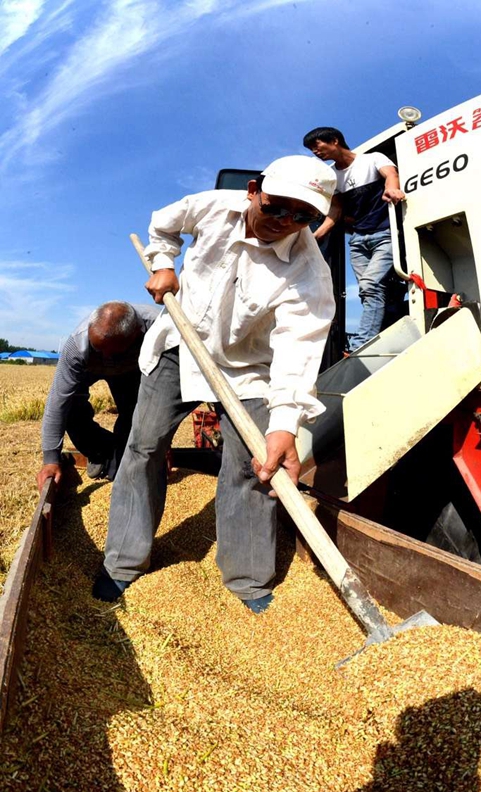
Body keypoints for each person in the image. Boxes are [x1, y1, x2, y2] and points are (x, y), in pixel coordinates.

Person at [92, 155, 337, 613]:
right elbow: (163, 224)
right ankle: (123, 562)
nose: (285, 223)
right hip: (179, 345)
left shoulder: (309, 270)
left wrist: (285, 423)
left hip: (249, 367)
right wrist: (163, 262)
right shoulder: (211, 206)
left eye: (303, 217)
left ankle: (246, 578)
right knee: (143, 448)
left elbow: (297, 349)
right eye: (277, 208)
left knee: (251, 466)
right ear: (253, 190)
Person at [36, 302, 158, 493]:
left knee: (133, 414)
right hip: (89, 367)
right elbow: (57, 402)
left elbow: (165, 393)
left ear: (135, 335)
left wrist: (160, 443)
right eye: (99, 349)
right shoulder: (76, 346)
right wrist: (51, 459)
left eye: (113, 352)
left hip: (131, 369)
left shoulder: (156, 326)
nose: (107, 358)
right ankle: (102, 455)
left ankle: (123, 462)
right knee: (71, 411)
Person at [303, 126, 406, 351]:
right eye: (311, 150)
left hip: (385, 234)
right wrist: (316, 235)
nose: (315, 152)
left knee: (370, 286)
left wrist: (392, 190)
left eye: (317, 146)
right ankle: (389, 332)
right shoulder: (332, 176)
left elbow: (391, 175)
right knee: (368, 292)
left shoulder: (372, 159)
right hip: (358, 240)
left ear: (335, 140)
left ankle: (361, 345)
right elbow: (336, 211)